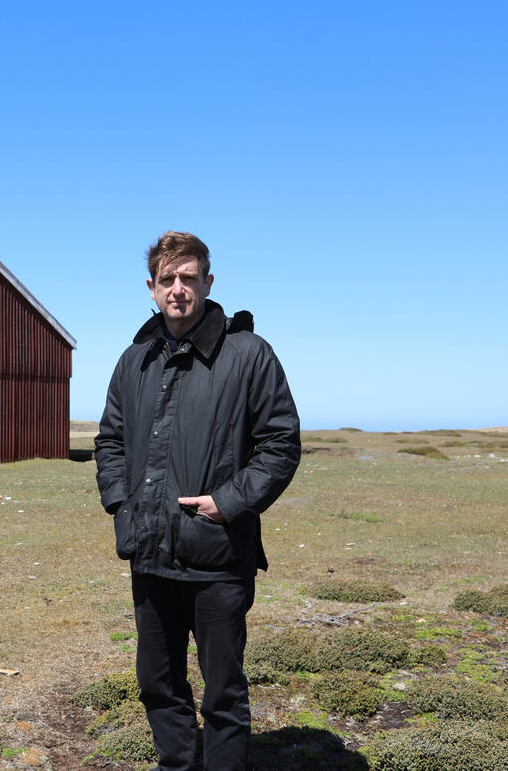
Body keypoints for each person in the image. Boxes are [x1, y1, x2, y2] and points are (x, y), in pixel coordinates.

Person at [94, 231, 300, 771]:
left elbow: (280, 444)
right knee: (158, 682)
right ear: (151, 287)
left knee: (223, 691)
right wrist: (123, 505)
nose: (178, 289)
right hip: (151, 551)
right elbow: (110, 441)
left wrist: (227, 503)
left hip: (219, 558)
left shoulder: (248, 355)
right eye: (168, 279)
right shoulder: (134, 359)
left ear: (209, 282)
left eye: (189, 278)